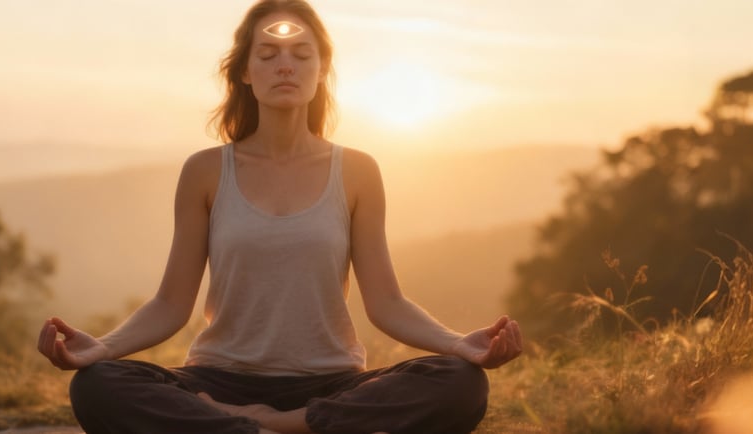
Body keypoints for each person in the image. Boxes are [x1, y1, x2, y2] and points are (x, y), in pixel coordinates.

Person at [37, 1, 523, 433]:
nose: (284, 67)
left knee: (461, 383)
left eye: (301, 55)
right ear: (245, 72)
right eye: (267, 56)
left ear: (321, 70)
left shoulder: (357, 171)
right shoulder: (205, 171)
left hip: (330, 383)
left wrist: (461, 346)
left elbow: (387, 303)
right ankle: (261, 426)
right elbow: (170, 304)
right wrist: (100, 349)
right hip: (218, 380)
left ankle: (273, 426)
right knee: (96, 385)